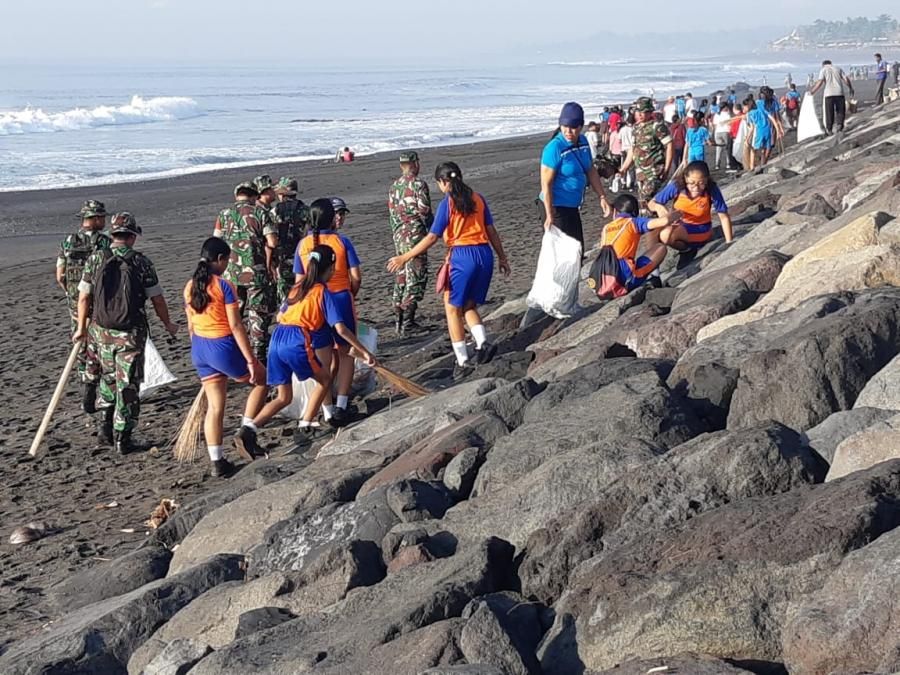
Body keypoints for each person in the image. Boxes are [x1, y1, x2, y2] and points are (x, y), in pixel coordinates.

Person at [235, 244, 376, 458]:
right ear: (329, 269)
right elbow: (340, 328)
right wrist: (364, 352)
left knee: (283, 396)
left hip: (277, 338)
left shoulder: (297, 288)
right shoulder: (322, 292)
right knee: (325, 379)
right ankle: (306, 425)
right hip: (297, 340)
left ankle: (249, 429)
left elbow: (280, 316)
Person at [387, 162, 510, 375]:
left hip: (463, 257)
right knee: (468, 306)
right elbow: (491, 230)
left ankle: (462, 361)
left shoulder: (448, 203)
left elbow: (432, 236)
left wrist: (405, 256)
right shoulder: (477, 198)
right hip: (484, 255)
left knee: (452, 309)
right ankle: (482, 343)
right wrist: (502, 257)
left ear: (443, 183)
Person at [73, 213, 178, 454]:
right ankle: (123, 438)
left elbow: (83, 297)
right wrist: (168, 324)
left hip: (100, 331)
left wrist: (80, 328)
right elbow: (157, 299)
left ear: (112, 235)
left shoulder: (96, 259)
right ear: (132, 237)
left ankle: (105, 429)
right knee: (128, 384)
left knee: (108, 378)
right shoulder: (141, 262)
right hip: (131, 333)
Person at [184, 237, 268, 478]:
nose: (227, 265)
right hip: (222, 345)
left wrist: (201, 352)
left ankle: (217, 461)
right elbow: (236, 325)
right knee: (263, 380)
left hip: (199, 348)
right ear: (220, 259)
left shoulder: (190, 286)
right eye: (227, 260)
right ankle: (247, 430)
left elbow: (191, 325)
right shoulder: (224, 286)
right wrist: (251, 359)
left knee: (215, 407)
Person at [294, 198, 361, 428]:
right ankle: (342, 405)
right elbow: (356, 276)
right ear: (332, 218)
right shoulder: (341, 242)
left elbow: (299, 281)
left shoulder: (303, 245)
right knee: (346, 353)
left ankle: (327, 410)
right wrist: (351, 293)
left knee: (321, 359)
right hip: (340, 298)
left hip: (314, 304)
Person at [213, 182, 278, 361]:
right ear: (254, 196)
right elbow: (272, 241)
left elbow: (215, 241)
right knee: (257, 315)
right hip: (255, 273)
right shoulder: (260, 212)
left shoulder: (224, 215)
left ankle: (230, 354)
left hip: (230, 274)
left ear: (237, 196)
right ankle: (258, 356)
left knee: (233, 314)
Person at [56, 199, 110, 413]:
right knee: (97, 344)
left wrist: (71, 294)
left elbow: (60, 274)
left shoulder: (68, 241)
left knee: (79, 340)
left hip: (74, 301)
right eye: (102, 217)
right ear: (95, 219)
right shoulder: (104, 243)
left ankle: (84, 383)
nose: (104, 221)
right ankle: (92, 384)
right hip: (97, 301)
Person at [538, 102, 612, 251]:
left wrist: (602, 197)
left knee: (577, 250)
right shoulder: (554, 148)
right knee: (564, 255)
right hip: (556, 206)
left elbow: (590, 170)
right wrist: (549, 214)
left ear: (580, 126)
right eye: (565, 126)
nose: (568, 131)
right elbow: (546, 184)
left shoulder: (583, 142)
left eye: (573, 127)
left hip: (573, 206)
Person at [388, 151, 433, 335]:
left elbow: (392, 215)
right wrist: (433, 230)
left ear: (401, 166)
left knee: (402, 275)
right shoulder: (418, 185)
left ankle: (398, 319)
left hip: (399, 234)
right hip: (415, 235)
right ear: (415, 164)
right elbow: (424, 211)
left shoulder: (394, 187)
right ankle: (408, 322)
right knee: (416, 275)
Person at [600, 193, 681, 290]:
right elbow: (664, 221)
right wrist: (678, 213)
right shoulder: (633, 222)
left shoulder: (606, 228)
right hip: (624, 281)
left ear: (615, 212)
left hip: (603, 279)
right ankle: (654, 277)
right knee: (660, 248)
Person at [648, 161, 734, 251]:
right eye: (691, 183)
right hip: (679, 225)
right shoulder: (677, 186)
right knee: (653, 225)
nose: (696, 188)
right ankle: (651, 258)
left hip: (700, 228)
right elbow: (651, 204)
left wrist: (729, 242)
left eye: (701, 183)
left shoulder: (711, 189)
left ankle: (687, 249)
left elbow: (723, 217)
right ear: (685, 178)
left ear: (707, 180)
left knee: (665, 235)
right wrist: (659, 207)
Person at [619, 97, 673, 210]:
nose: (640, 114)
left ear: (650, 112)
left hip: (654, 171)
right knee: (645, 205)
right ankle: (654, 224)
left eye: (644, 111)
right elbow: (632, 151)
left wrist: (667, 168)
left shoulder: (657, 127)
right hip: (641, 173)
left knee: (647, 198)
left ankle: (658, 223)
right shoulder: (635, 128)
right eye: (638, 111)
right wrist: (623, 168)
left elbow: (669, 145)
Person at [272, 177, 309, 304]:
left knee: (285, 297)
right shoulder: (305, 210)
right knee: (302, 292)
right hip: (302, 255)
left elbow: (271, 237)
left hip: (282, 257)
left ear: (282, 194)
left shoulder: (275, 211)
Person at [808, 60, 855, 134]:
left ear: (823, 65)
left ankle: (829, 129)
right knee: (840, 110)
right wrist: (850, 88)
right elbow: (846, 79)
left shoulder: (823, 70)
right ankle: (839, 125)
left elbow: (820, 82)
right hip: (839, 92)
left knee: (829, 112)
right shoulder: (838, 68)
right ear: (831, 64)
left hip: (829, 93)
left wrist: (812, 91)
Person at [746, 96, 779, 169]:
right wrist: (777, 129)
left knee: (754, 149)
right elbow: (772, 119)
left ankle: (752, 167)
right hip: (767, 130)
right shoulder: (762, 110)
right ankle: (763, 164)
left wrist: (747, 138)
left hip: (759, 132)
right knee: (764, 148)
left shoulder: (749, 114)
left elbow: (751, 128)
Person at [712, 103, 734, 171]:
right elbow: (731, 123)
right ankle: (728, 163)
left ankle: (717, 165)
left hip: (717, 132)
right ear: (725, 107)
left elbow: (714, 125)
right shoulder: (728, 114)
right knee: (728, 149)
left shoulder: (716, 115)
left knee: (719, 149)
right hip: (725, 132)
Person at [618, 113, 635, 190]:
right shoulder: (632, 130)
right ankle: (631, 184)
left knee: (623, 166)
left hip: (624, 149)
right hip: (630, 149)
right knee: (631, 168)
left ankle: (623, 183)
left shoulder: (622, 129)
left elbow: (619, 140)